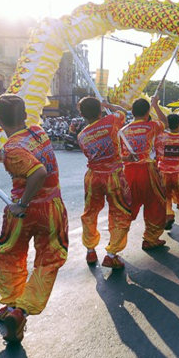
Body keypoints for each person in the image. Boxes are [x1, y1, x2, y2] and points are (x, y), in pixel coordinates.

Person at [0, 94, 68, 344]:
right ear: (24, 116)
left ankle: (13, 305)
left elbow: (38, 172)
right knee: (49, 259)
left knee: (10, 256)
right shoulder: (37, 131)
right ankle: (20, 310)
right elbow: (9, 153)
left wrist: (22, 203)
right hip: (52, 208)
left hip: (23, 211)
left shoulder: (14, 148)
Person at [77, 96, 132, 269]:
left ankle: (90, 250)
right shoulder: (110, 121)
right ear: (100, 109)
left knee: (90, 213)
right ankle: (111, 253)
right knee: (120, 213)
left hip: (93, 177)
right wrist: (108, 104)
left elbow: (94, 156)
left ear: (82, 115)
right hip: (114, 176)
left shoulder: (82, 135)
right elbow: (123, 112)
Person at [120, 97, 168, 250]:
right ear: (148, 112)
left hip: (128, 172)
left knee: (126, 207)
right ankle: (150, 238)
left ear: (132, 112)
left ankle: (115, 244)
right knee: (155, 203)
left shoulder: (122, 131)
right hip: (147, 171)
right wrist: (155, 105)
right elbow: (165, 122)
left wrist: (127, 158)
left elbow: (118, 155)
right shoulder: (151, 126)